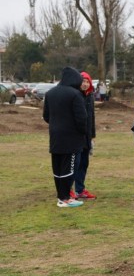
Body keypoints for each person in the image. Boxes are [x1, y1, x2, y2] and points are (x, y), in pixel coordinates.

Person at [43, 67, 88, 208]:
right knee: (69, 168)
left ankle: (61, 197)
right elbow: (82, 118)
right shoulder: (75, 95)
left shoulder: (50, 93)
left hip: (55, 137)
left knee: (57, 168)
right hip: (71, 139)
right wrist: (83, 133)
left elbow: (46, 116)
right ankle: (66, 198)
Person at [72, 71, 97, 200]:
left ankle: (80, 189)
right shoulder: (75, 95)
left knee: (84, 164)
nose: (85, 84)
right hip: (76, 137)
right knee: (75, 164)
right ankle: (70, 190)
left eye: (87, 82)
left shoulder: (90, 96)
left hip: (87, 137)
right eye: (83, 81)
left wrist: (92, 135)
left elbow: (91, 117)